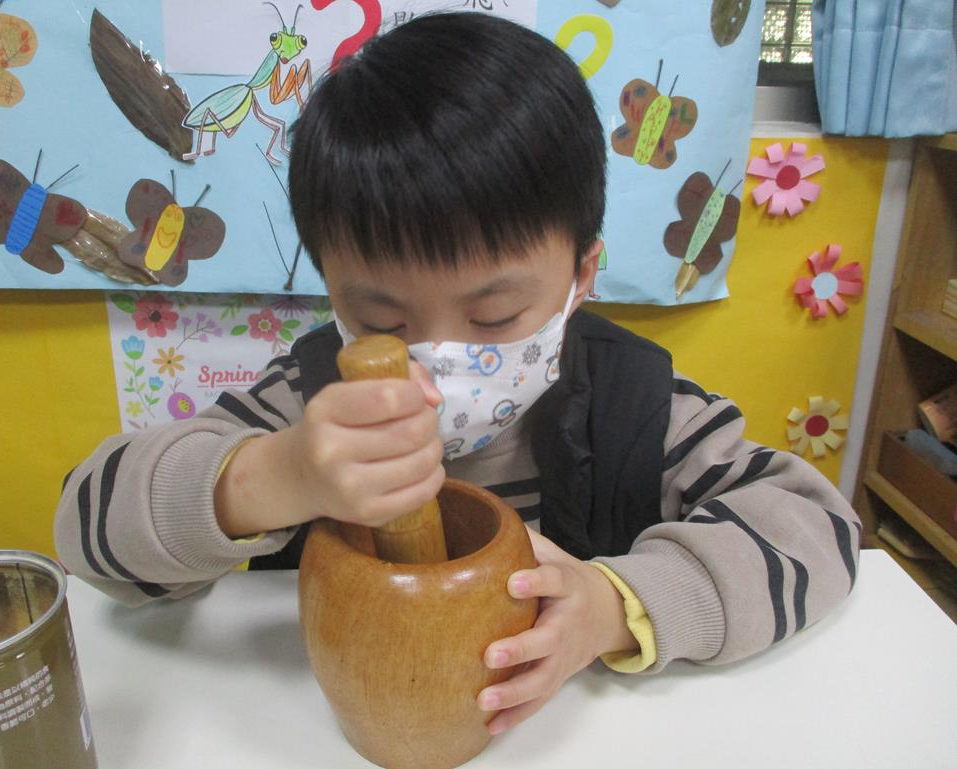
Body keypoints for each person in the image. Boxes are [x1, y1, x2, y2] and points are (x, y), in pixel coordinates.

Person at [55, 12, 861, 737]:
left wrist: (617, 605)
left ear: (581, 275)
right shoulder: (304, 400)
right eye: (380, 320)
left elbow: (817, 527)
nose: (437, 357)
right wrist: (270, 478)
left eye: (494, 315)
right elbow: (87, 533)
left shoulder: (635, 404)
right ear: (330, 287)